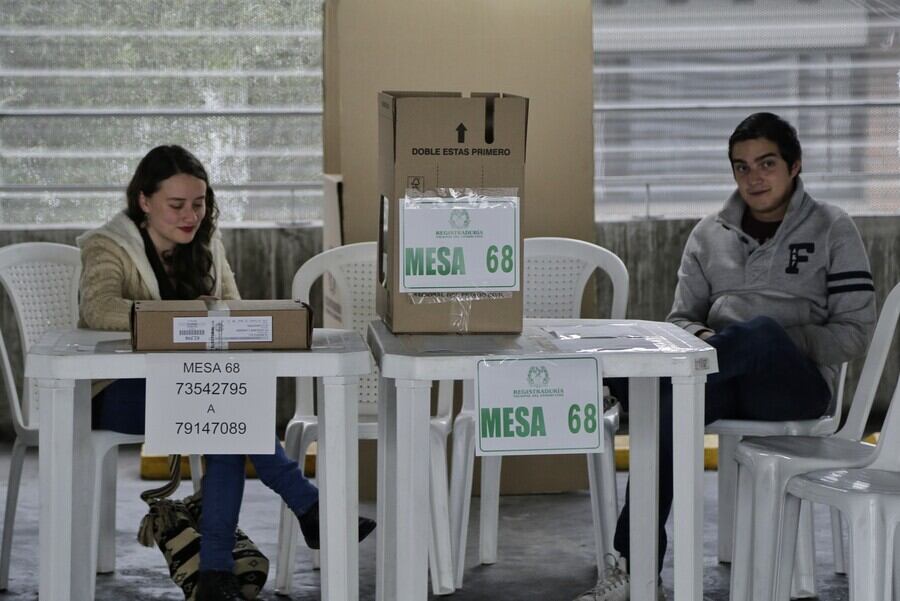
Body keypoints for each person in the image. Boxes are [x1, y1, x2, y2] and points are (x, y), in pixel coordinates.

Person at [575, 113, 877, 601]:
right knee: (670, 408)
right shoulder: (708, 234)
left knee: (757, 335)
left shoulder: (832, 228)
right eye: (741, 167)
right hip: (723, 374)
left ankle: (630, 381)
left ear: (795, 165)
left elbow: (854, 334)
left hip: (796, 386)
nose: (753, 177)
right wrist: (717, 346)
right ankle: (636, 571)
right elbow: (680, 320)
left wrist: (777, 339)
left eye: (766, 163)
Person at [78, 145, 376, 601]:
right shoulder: (108, 245)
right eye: (176, 205)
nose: (190, 216)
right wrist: (183, 315)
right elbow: (99, 308)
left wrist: (219, 317)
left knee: (227, 418)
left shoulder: (208, 245)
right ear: (143, 201)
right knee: (230, 414)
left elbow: (234, 310)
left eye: (198, 204)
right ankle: (301, 509)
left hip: (195, 389)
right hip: (118, 392)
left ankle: (217, 576)